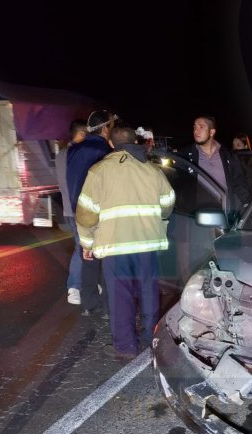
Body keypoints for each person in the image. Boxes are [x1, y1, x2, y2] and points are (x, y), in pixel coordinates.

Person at [76, 126, 175, 360]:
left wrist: (87, 243)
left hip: (116, 246)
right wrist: (158, 217)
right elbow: (168, 201)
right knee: (149, 293)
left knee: (120, 297)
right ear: (135, 142)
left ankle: (125, 347)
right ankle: (151, 340)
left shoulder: (99, 171)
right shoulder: (151, 170)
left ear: (111, 144)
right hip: (147, 244)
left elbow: (86, 213)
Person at [67, 110, 115, 318]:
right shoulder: (103, 150)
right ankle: (107, 308)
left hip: (80, 210)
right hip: (100, 211)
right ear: (105, 128)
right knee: (106, 260)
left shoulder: (75, 149)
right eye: (111, 126)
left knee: (88, 256)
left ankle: (88, 303)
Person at [179, 115, 249, 211]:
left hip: (224, 214)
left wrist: (246, 205)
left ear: (212, 132)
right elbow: (179, 185)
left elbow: (239, 182)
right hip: (195, 216)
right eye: (194, 127)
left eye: (201, 127)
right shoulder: (185, 156)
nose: (196, 131)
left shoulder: (228, 156)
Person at [57, 119, 87, 305]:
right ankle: (74, 286)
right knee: (82, 247)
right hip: (80, 210)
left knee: (84, 247)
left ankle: (87, 283)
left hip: (69, 209)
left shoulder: (61, 154)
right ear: (82, 133)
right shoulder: (76, 155)